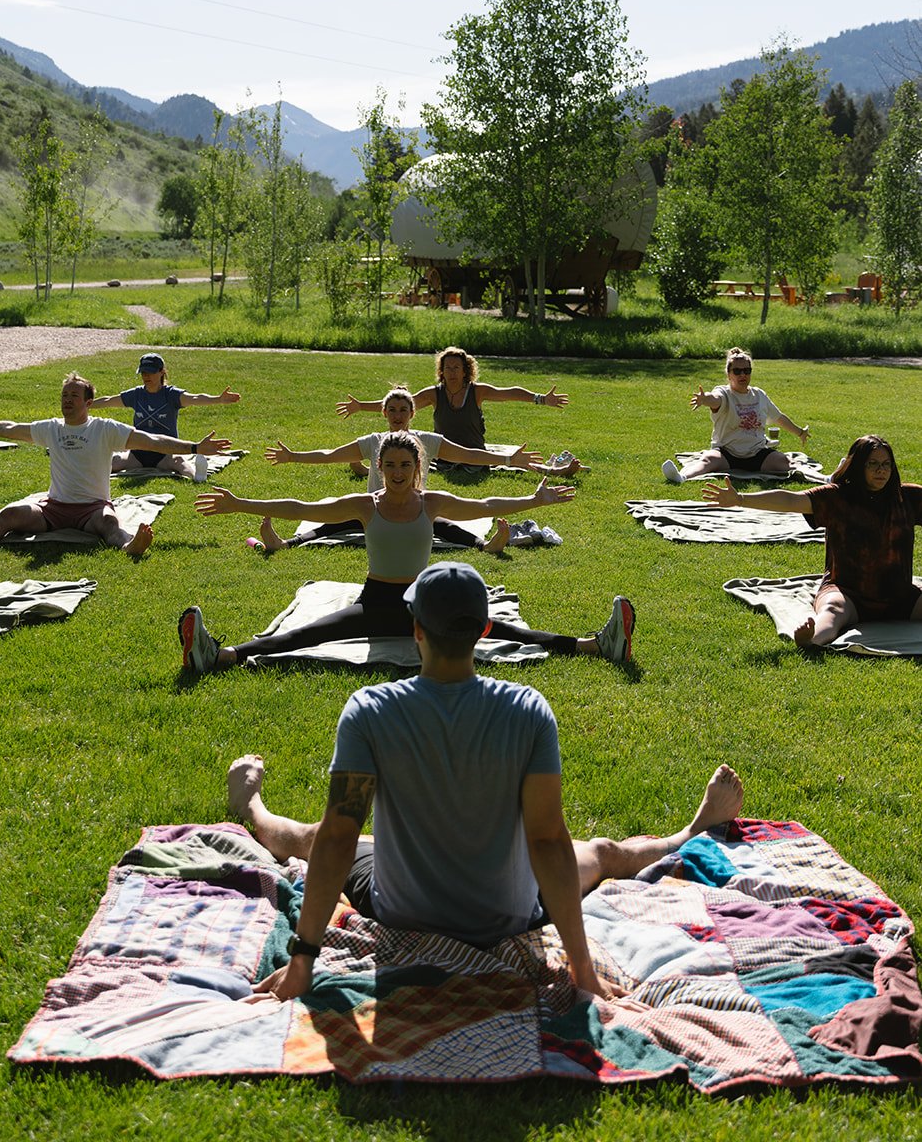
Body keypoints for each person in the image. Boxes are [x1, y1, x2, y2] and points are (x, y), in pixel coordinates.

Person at [220, 560, 743, 1002]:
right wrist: (582, 968)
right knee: (605, 852)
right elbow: (545, 840)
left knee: (320, 836)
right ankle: (686, 834)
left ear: (416, 630)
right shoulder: (527, 710)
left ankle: (254, 808)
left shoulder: (371, 711)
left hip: (403, 912)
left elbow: (336, 837)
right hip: (510, 915)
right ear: (486, 630)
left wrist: (304, 962)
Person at [182, 430, 634, 670]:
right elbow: (301, 505)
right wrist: (240, 503)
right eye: (391, 465)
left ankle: (595, 645)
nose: (398, 472)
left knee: (498, 631)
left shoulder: (431, 502)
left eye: (406, 465)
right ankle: (219, 656)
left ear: (419, 468)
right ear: (379, 469)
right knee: (306, 635)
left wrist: (534, 501)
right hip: (376, 601)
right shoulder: (365, 504)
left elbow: (487, 503)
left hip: (427, 603)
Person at [0, 373, 232, 559]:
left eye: (74, 395)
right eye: (64, 395)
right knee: (9, 514)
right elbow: (11, 428)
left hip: (92, 509)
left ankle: (131, 546)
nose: (67, 400)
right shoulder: (51, 428)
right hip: (52, 508)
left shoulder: (105, 428)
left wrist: (193, 448)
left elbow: (152, 440)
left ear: (88, 402)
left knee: (111, 524)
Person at [262, 386, 579, 556]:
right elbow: (331, 455)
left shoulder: (426, 440)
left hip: (415, 506)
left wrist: (509, 460)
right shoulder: (373, 441)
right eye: (393, 410)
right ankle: (288, 543)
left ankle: (486, 546)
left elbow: (470, 454)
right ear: (384, 413)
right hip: (374, 507)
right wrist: (293, 457)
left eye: (404, 410)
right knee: (336, 521)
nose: (398, 415)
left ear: (412, 413)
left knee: (441, 526)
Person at [703, 435, 922, 647]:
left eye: (886, 464)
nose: (881, 470)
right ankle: (811, 639)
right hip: (848, 594)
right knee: (832, 614)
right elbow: (791, 500)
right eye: (872, 464)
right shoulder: (838, 497)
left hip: (898, 596)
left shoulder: (906, 498)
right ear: (858, 466)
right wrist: (740, 499)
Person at [336, 347, 569, 462]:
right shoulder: (434, 394)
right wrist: (361, 406)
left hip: (474, 454)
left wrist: (541, 399)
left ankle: (556, 468)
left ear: (466, 370)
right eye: (448, 368)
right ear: (442, 371)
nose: (452, 372)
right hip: (443, 456)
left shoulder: (477, 392)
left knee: (513, 460)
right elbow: (399, 405)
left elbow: (510, 393)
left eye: (457, 367)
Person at [663, 347, 809, 484]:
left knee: (788, 462)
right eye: (737, 371)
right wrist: (705, 399)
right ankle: (681, 477)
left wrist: (800, 432)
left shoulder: (759, 395)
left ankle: (826, 479)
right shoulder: (724, 393)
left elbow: (778, 417)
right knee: (707, 460)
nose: (743, 375)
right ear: (729, 374)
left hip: (757, 452)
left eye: (747, 370)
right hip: (727, 454)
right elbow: (715, 399)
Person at [91, 352, 240, 481]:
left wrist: (218, 399)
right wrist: (86, 405)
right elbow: (109, 400)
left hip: (165, 454)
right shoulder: (136, 394)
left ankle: (198, 476)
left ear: (162, 372)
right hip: (137, 454)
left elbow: (195, 398)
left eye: (150, 372)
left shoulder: (171, 395)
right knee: (110, 462)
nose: (146, 376)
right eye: (143, 372)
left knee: (180, 464)